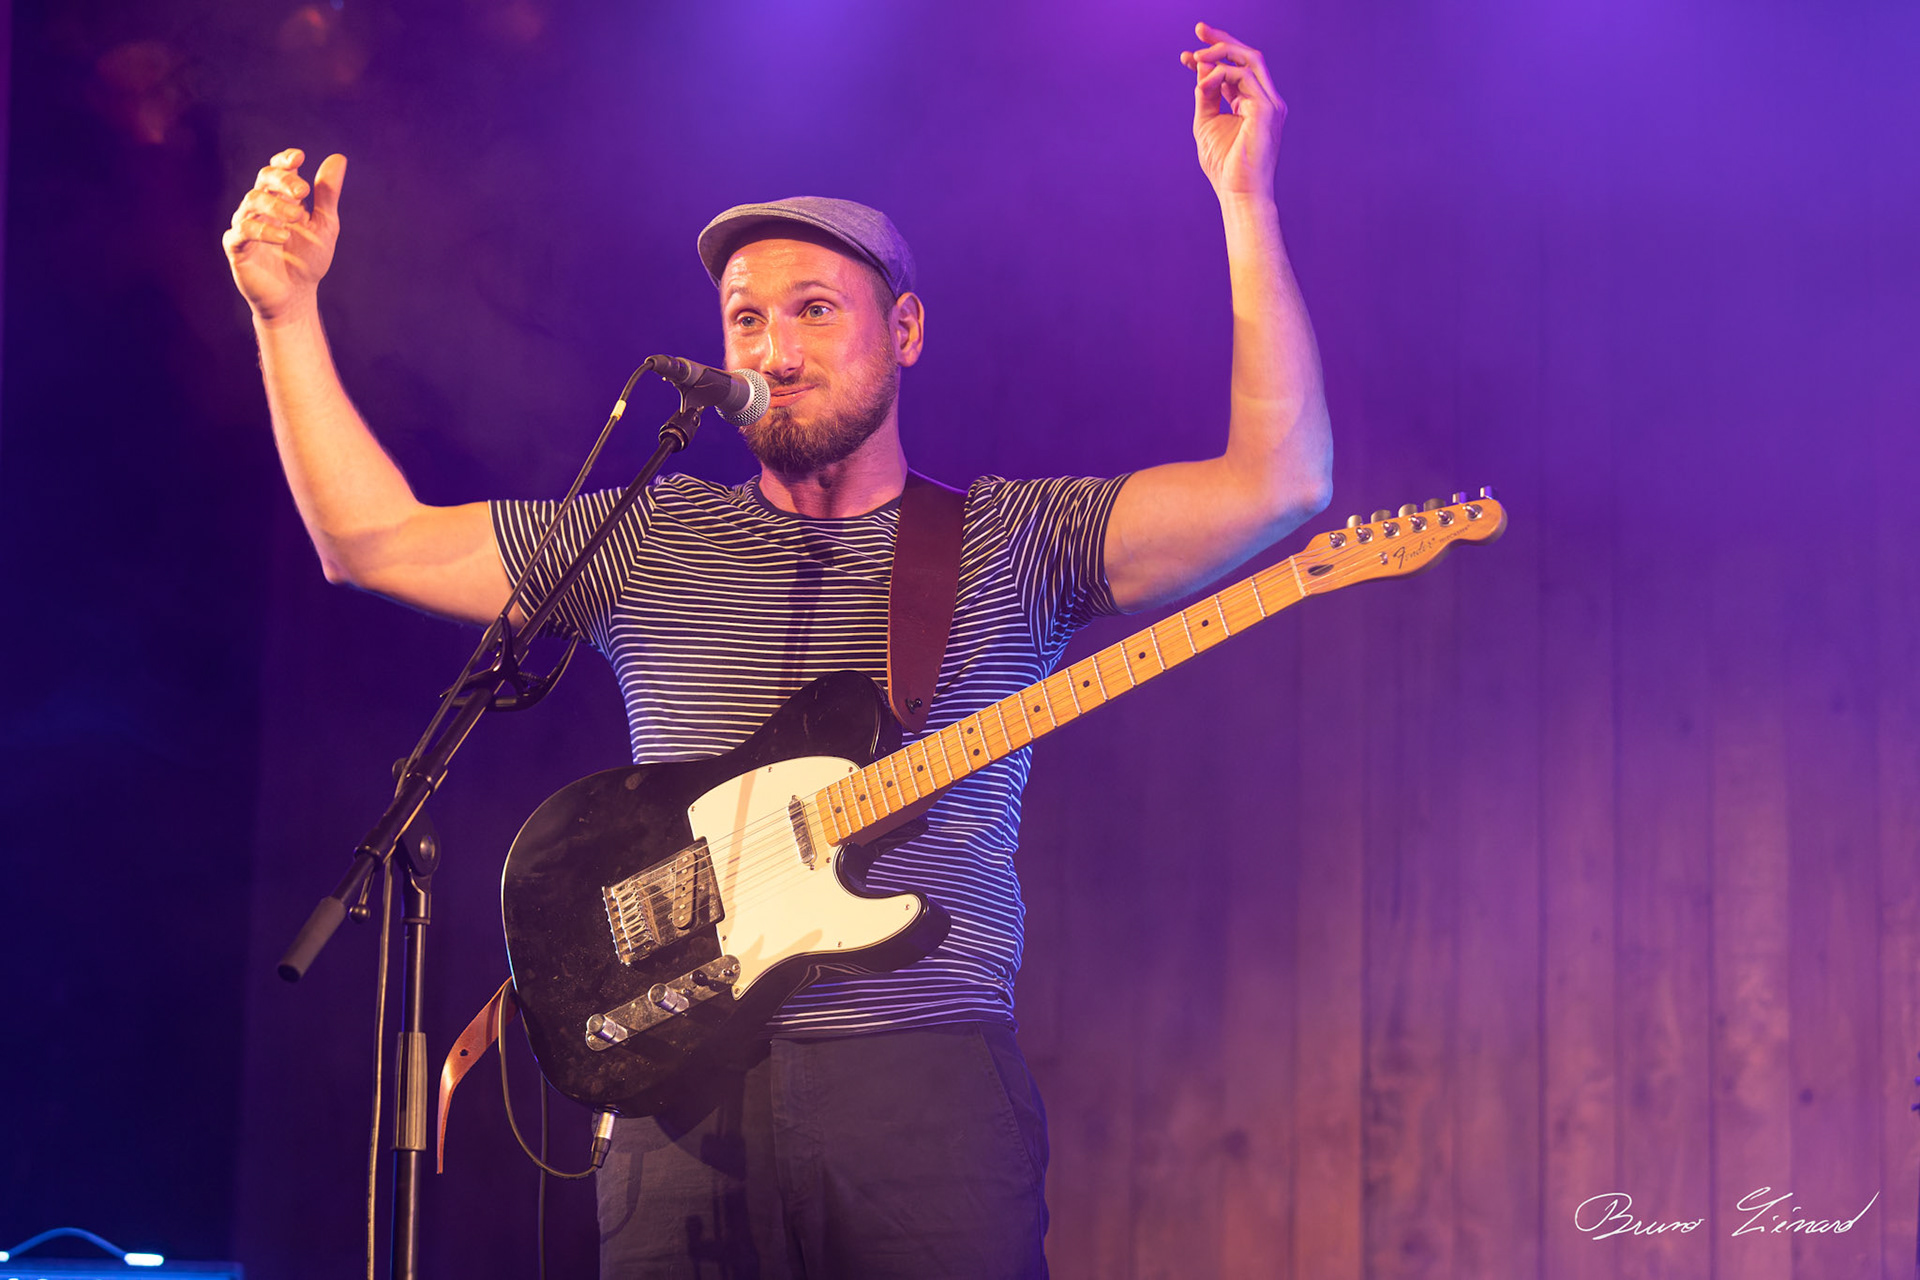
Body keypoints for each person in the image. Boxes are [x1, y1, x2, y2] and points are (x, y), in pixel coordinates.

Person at [224, 20, 1331, 1279]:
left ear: (904, 329)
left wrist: (1244, 201)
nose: (774, 350)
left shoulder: (1015, 539)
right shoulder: (650, 531)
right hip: (673, 1098)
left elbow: (1281, 482)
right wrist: (286, 314)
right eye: (746, 320)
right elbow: (371, 540)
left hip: (921, 1089)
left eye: (814, 310)